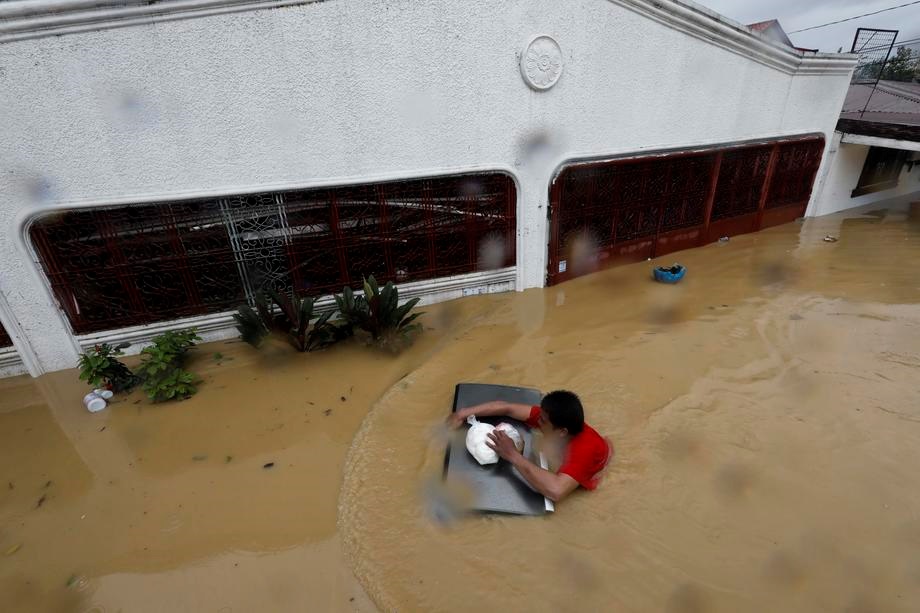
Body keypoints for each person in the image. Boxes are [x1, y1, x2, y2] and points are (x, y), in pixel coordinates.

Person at [449, 390, 610, 502]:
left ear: (562, 432)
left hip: (596, 467)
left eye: (543, 420)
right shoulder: (551, 419)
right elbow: (507, 408)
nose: (537, 419)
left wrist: (512, 454)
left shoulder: (583, 450)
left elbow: (556, 491)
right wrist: (463, 414)